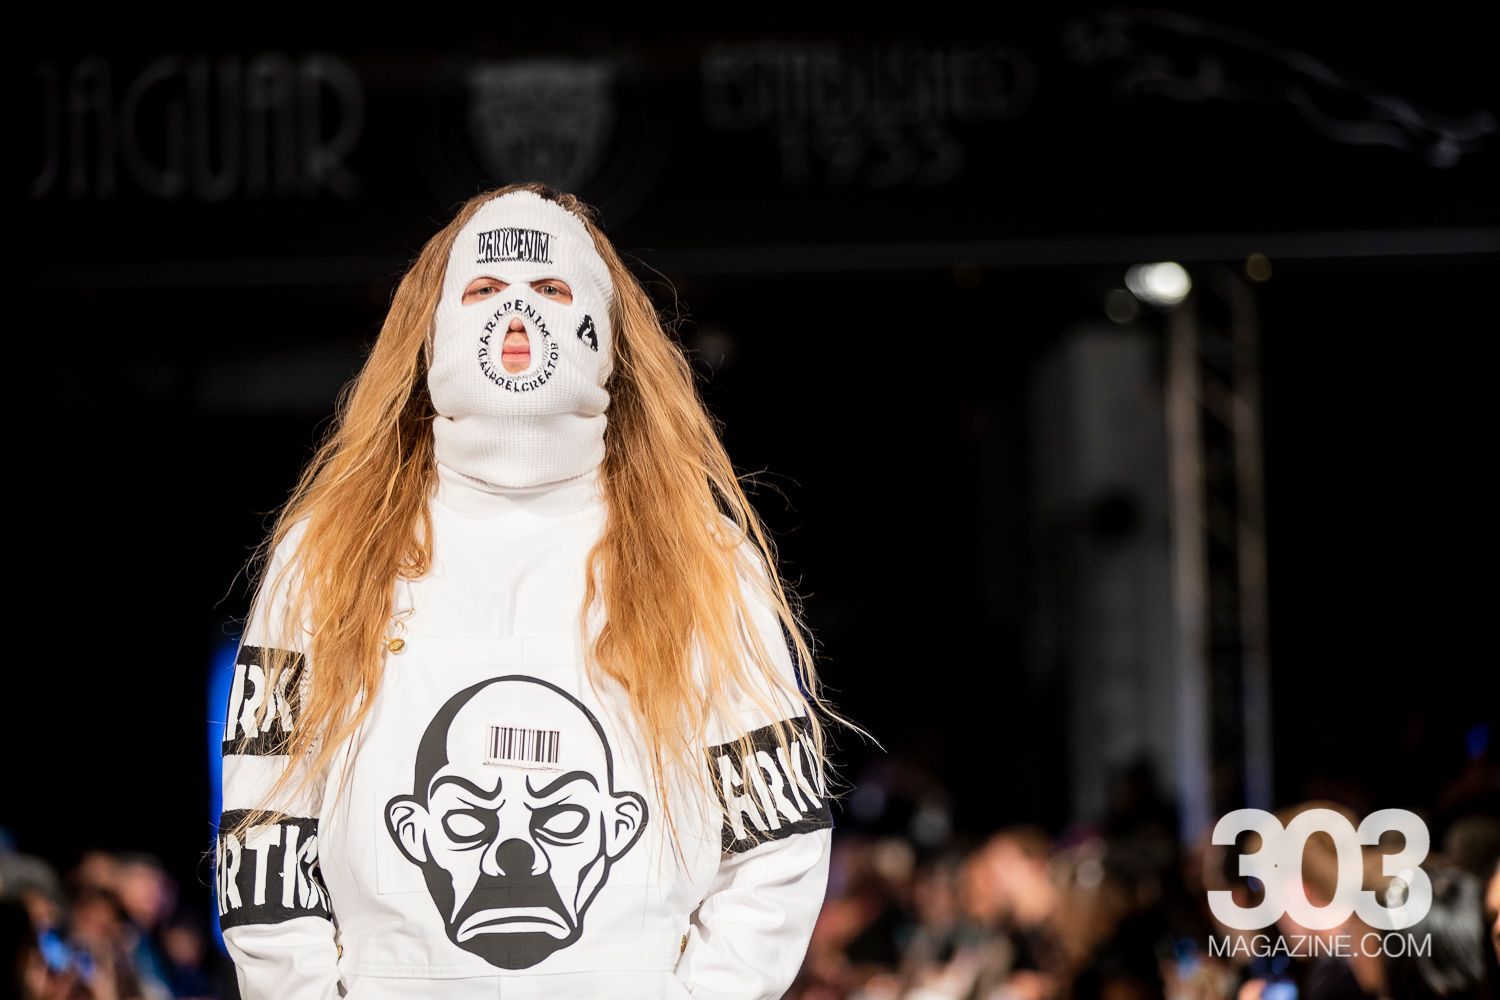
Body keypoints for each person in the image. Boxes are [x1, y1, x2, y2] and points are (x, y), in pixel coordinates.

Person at [212, 183, 867, 1000]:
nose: (516, 313)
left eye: (551, 290)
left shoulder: (702, 556)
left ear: (603, 332)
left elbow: (780, 834)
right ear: (434, 326)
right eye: (484, 289)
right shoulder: (331, 553)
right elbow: (265, 824)